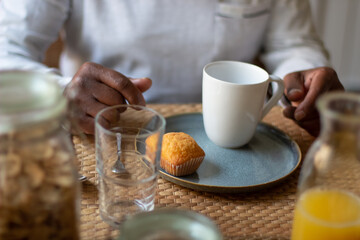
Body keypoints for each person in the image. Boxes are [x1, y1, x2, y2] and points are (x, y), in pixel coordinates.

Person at [0, 0, 344, 136]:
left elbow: (293, 43)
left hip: (236, 140)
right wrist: (61, 93)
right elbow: (6, 49)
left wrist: (307, 76)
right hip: (104, 134)